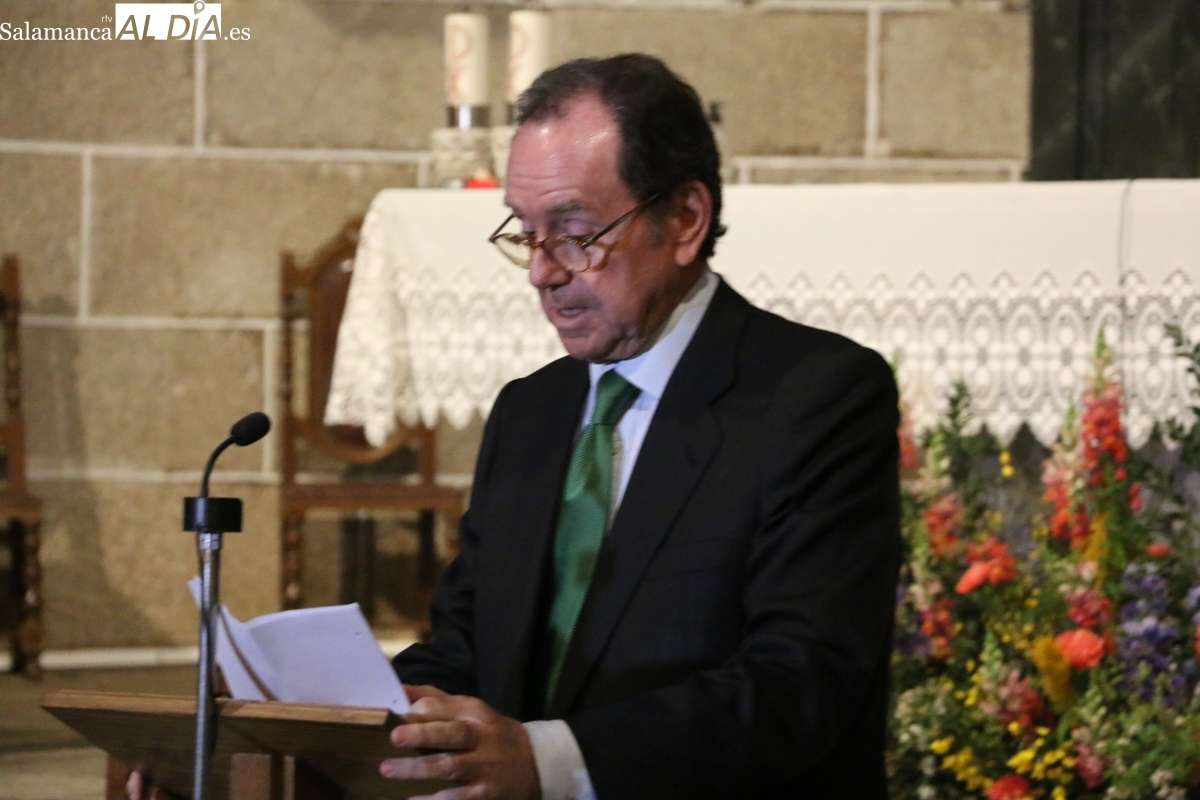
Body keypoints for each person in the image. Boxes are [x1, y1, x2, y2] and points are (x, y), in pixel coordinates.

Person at [379, 54, 902, 800]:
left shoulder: (813, 396)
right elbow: (467, 652)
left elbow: (800, 680)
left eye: (575, 231)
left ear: (685, 219)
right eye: (526, 233)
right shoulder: (530, 412)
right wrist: (335, 714)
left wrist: (549, 763)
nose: (541, 272)